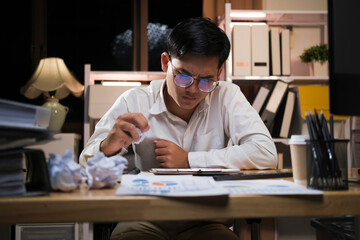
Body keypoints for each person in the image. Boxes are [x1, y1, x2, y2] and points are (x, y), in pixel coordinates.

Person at [80, 17, 277, 240]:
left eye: (206, 80)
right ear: (166, 62)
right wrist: (107, 148)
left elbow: (265, 152)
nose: (193, 89)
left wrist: (189, 160)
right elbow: (85, 168)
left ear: (219, 72)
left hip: (206, 222)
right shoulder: (134, 101)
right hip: (144, 219)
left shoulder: (226, 95)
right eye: (183, 76)